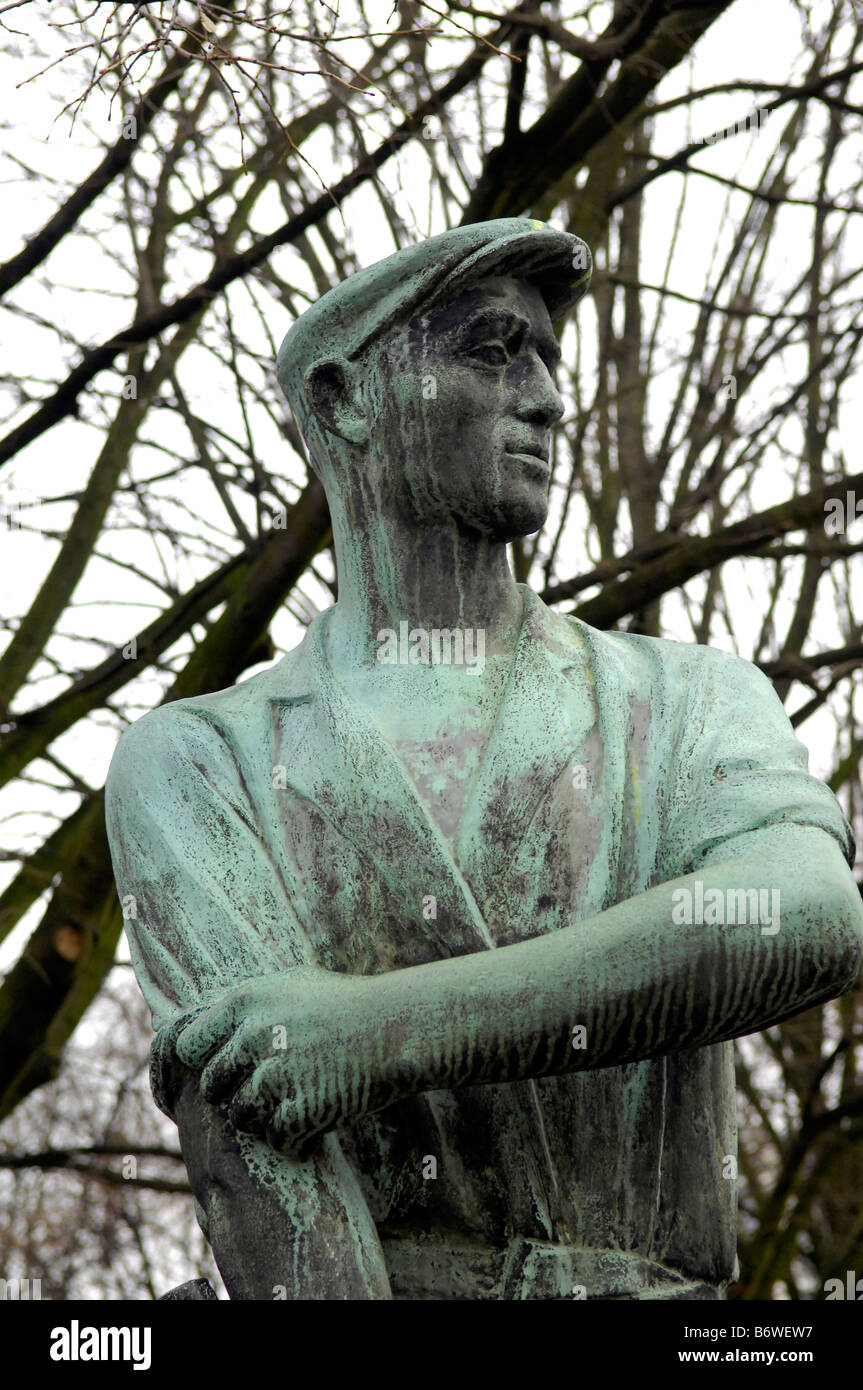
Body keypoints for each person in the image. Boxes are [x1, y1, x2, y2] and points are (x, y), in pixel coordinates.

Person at [105, 218, 863, 1300]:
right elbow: (274, 1185)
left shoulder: (686, 699)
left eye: (551, 359)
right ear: (344, 402)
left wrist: (380, 1031)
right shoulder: (199, 763)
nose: (550, 398)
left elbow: (805, 911)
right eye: (495, 350)